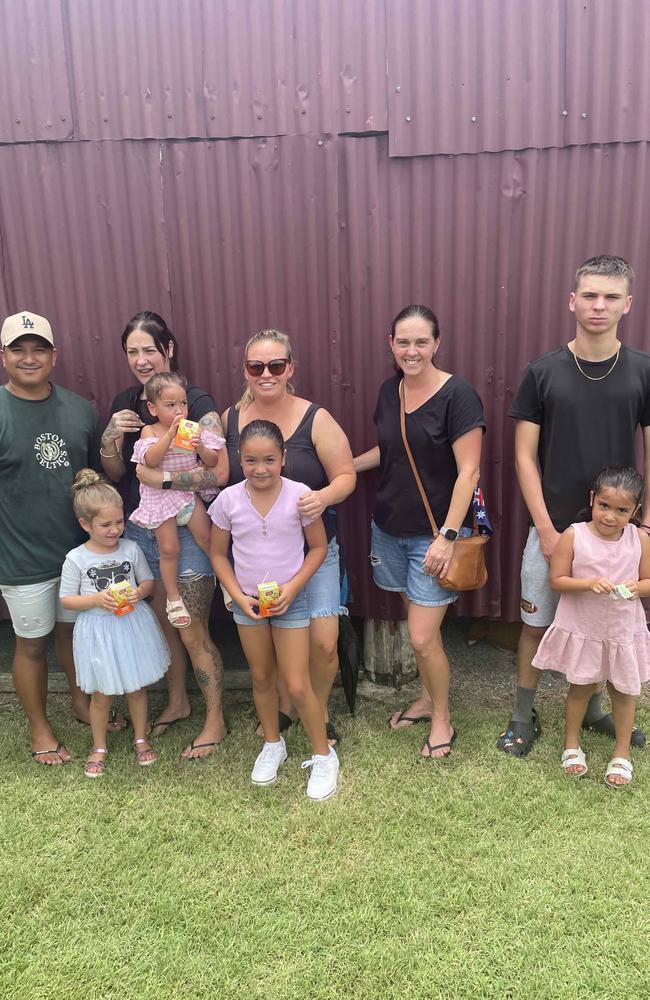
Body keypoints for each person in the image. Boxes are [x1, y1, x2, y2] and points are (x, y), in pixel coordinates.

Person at [497, 255, 649, 757]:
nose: (598, 305)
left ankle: (597, 713)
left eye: (610, 296)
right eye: (589, 295)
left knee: (608, 626)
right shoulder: (542, 372)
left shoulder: (643, 371)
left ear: (627, 304)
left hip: (618, 534)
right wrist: (545, 526)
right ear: (572, 301)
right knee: (535, 625)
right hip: (556, 529)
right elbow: (523, 455)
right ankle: (523, 715)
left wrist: (644, 523)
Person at [354, 304, 485, 758]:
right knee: (417, 629)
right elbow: (390, 447)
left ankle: (442, 717)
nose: (412, 351)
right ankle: (427, 699)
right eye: (403, 342)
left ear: (437, 344)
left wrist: (447, 537)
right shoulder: (390, 391)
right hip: (389, 528)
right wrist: (347, 469)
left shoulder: (458, 396)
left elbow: (468, 473)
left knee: (424, 637)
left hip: (433, 539)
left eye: (421, 342)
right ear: (391, 345)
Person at [0, 309, 127, 765]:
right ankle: (39, 727)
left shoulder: (80, 410)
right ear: (4, 356)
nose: (29, 358)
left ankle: (79, 701)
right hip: (21, 556)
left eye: (39, 350)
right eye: (19, 350)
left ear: (54, 356)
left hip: (79, 555)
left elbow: (96, 479)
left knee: (74, 635)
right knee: (32, 643)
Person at [100, 311, 229, 759]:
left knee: (192, 626)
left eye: (148, 350)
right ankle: (177, 700)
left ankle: (215, 719)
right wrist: (110, 437)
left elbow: (219, 473)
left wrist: (166, 483)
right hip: (145, 528)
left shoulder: (196, 402)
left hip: (189, 528)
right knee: (165, 621)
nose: (140, 360)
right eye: (132, 352)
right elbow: (118, 473)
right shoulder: (128, 402)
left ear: (168, 348)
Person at [222, 329, 356, 745]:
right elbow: (212, 475)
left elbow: (347, 475)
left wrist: (322, 498)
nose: (266, 374)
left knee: (323, 644)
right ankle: (285, 707)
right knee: (271, 639)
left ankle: (317, 709)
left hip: (315, 552)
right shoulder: (229, 419)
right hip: (257, 556)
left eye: (276, 365)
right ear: (245, 371)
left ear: (290, 369)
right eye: (255, 366)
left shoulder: (315, 417)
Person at [209, 419, 339, 799]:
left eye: (269, 459)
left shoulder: (301, 496)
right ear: (239, 459)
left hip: (290, 601)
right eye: (250, 461)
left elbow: (317, 549)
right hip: (246, 604)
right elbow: (218, 553)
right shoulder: (228, 500)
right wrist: (235, 594)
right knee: (262, 676)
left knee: (297, 683)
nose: (260, 469)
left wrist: (293, 588)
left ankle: (324, 754)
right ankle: (272, 744)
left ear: (283, 458)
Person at [532, 467, 650, 787]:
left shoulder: (639, 538)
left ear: (635, 511)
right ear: (592, 500)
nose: (610, 516)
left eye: (622, 510)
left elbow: (648, 582)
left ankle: (621, 753)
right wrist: (587, 583)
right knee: (581, 687)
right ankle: (572, 745)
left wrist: (637, 588)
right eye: (604, 506)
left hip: (622, 629)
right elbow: (557, 580)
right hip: (584, 624)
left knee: (624, 691)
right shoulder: (574, 534)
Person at [59, 471, 170, 777]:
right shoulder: (76, 558)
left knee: (136, 687)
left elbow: (148, 581)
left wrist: (139, 592)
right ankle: (99, 745)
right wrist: (95, 600)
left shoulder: (130, 549)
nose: (114, 530)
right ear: (85, 524)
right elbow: (66, 599)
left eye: (119, 522)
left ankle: (140, 737)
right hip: (98, 630)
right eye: (105, 525)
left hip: (131, 625)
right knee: (101, 693)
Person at [130, 371, 226, 628]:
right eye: (170, 405)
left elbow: (214, 461)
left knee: (207, 538)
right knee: (169, 548)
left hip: (186, 496)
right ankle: (173, 599)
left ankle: (227, 582)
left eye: (182, 403)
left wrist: (200, 448)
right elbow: (150, 460)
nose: (179, 410)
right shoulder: (149, 431)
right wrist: (169, 436)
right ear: (153, 407)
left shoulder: (193, 429)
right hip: (160, 499)